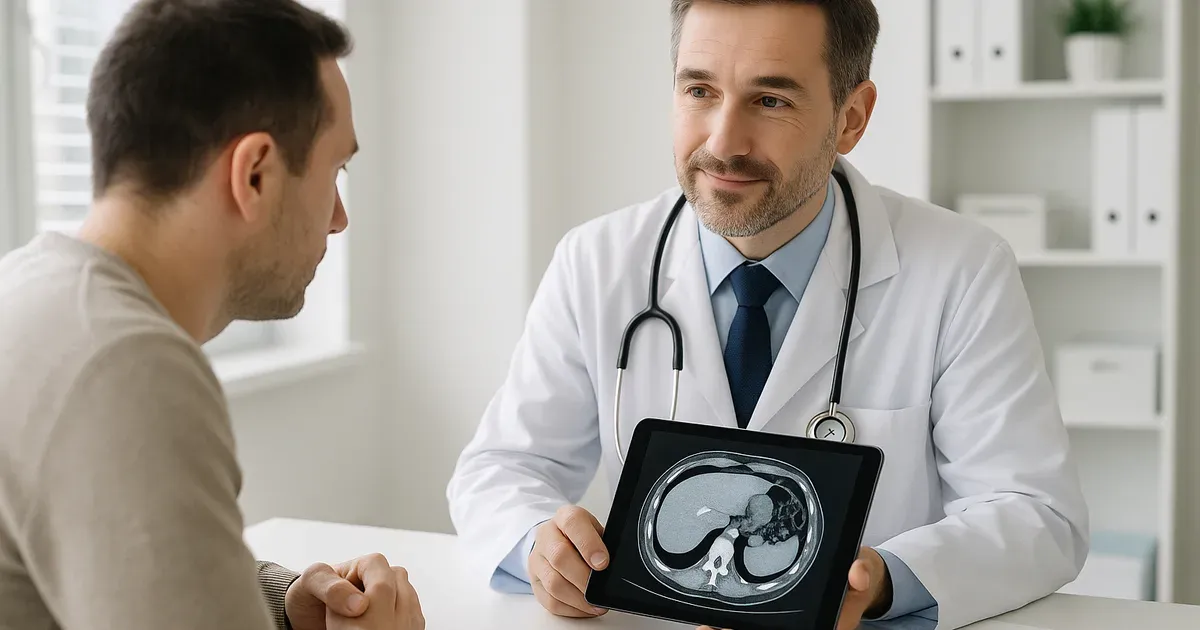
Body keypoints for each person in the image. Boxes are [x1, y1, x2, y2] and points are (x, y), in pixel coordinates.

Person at [446, 1, 1089, 629]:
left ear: (852, 118)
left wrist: (878, 580)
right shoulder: (596, 260)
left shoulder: (961, 269)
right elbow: (501, 469)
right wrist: (539, 542)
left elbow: (1035, 513)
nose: (723, 143)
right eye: (699, 90)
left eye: (771, 100)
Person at [0, 1, 423, 629]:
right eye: (335, 171)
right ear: (254, 174)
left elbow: (111, 566)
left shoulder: (32, 291)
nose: (339, 217)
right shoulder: (127, 370)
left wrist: (283, 604)